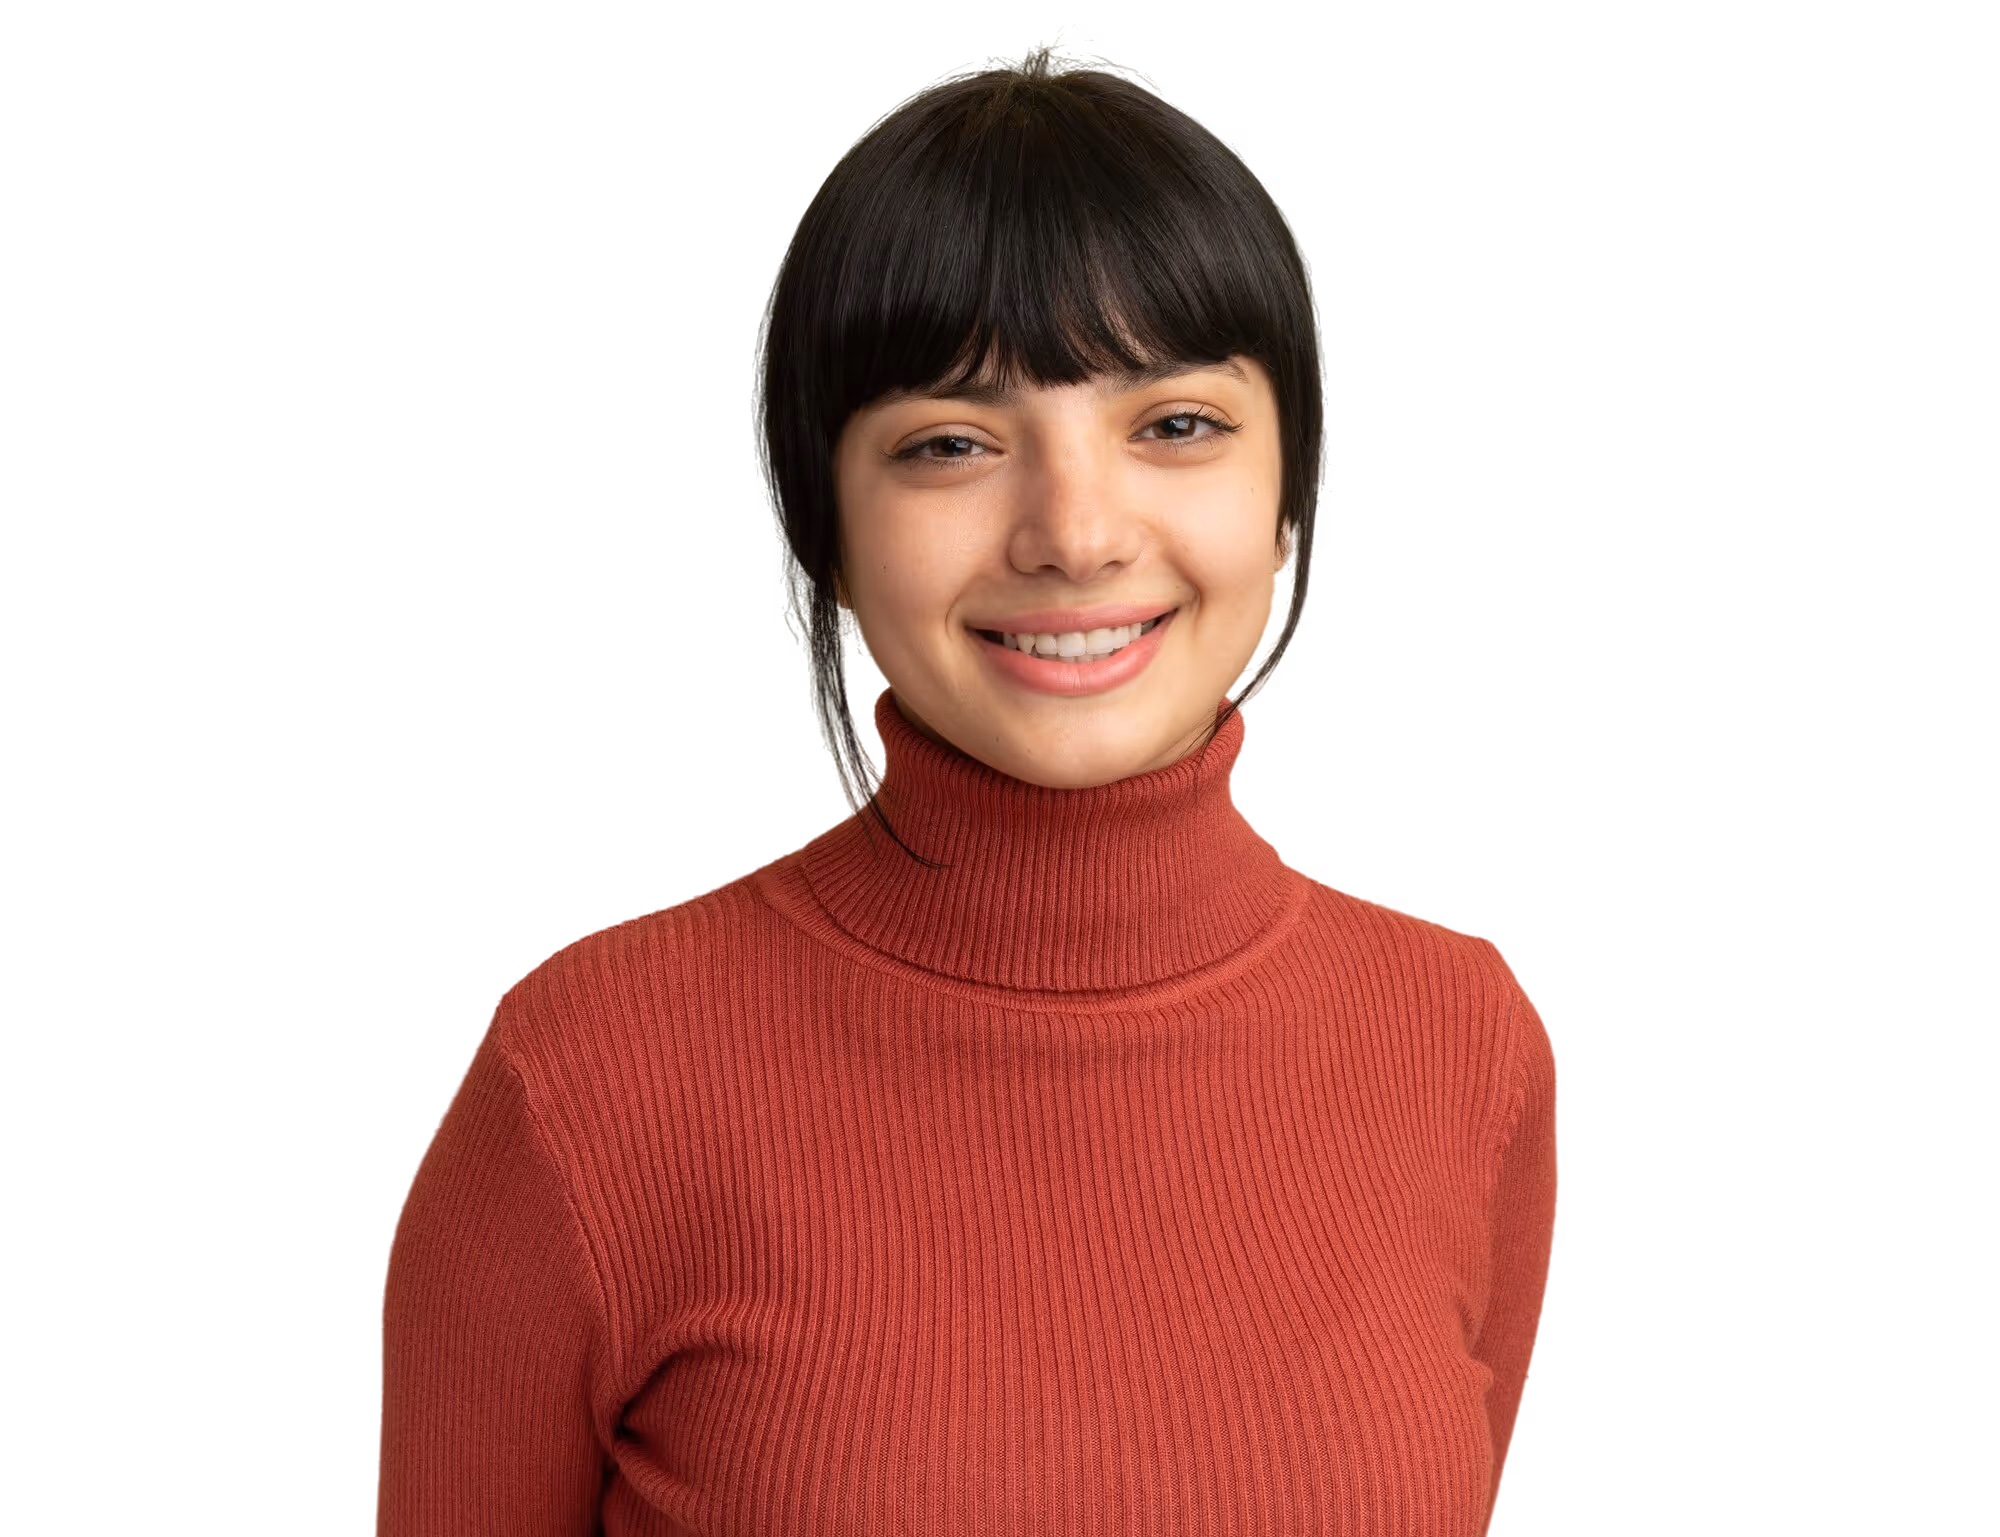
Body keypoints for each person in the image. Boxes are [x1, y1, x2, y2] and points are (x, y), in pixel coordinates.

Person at [371, 12, 1564, 1535]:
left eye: (1178, 424)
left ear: (1296, 497)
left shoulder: (1468, 1046)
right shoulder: (583, 1086)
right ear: (825, 530)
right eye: (948, 443)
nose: (1074, 531)